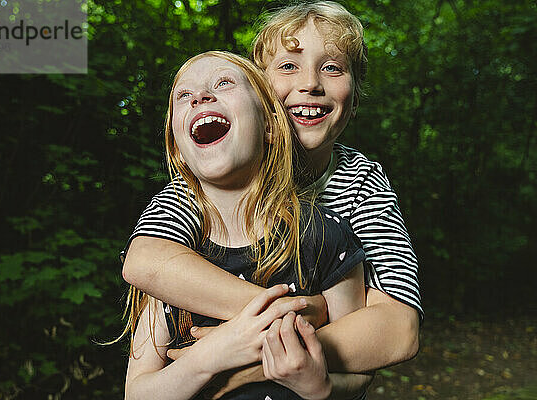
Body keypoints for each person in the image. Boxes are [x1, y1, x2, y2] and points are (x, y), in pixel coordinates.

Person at [122, 0, 422, 396]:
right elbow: (146, 261)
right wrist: (302, 311)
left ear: (355, 94)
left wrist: (248, 362)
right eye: (287, 65)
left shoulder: (360, 183)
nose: (311, 83)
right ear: (261, 94)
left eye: (332, 68)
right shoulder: (210, 180)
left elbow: (398, 331)